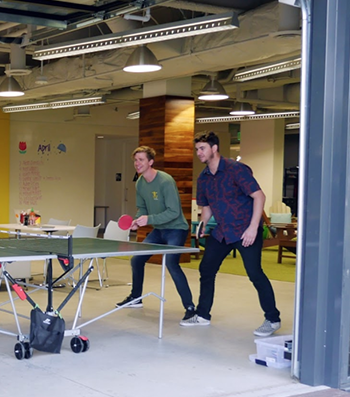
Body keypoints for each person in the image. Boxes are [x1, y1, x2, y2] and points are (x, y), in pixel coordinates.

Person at [181, 131, 281, 337]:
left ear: (214, 148)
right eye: (197, 149)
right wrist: (203, 222)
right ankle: (203, 314)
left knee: (255, 273)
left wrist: (254, 228)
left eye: (202, 148)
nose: (198, 152)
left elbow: (259, 196)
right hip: (223, 232)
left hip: (246, 230)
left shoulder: (236, 170)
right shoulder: (204, 178)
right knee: (206, 269)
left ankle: (272, 319)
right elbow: (207, 206)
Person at [116, 146, 197, 321]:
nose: (137, 163)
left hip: (176, 228)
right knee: (137, 259)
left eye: (141, 160)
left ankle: (190, 307)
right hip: (159, 230)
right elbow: (142, 208)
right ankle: (136, 298)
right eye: (135, 160)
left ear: (150, 162)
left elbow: (174, 212)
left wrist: (149, 219)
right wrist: (137, 221)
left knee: (171, 264)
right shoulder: (140, 183)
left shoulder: (165, 181)